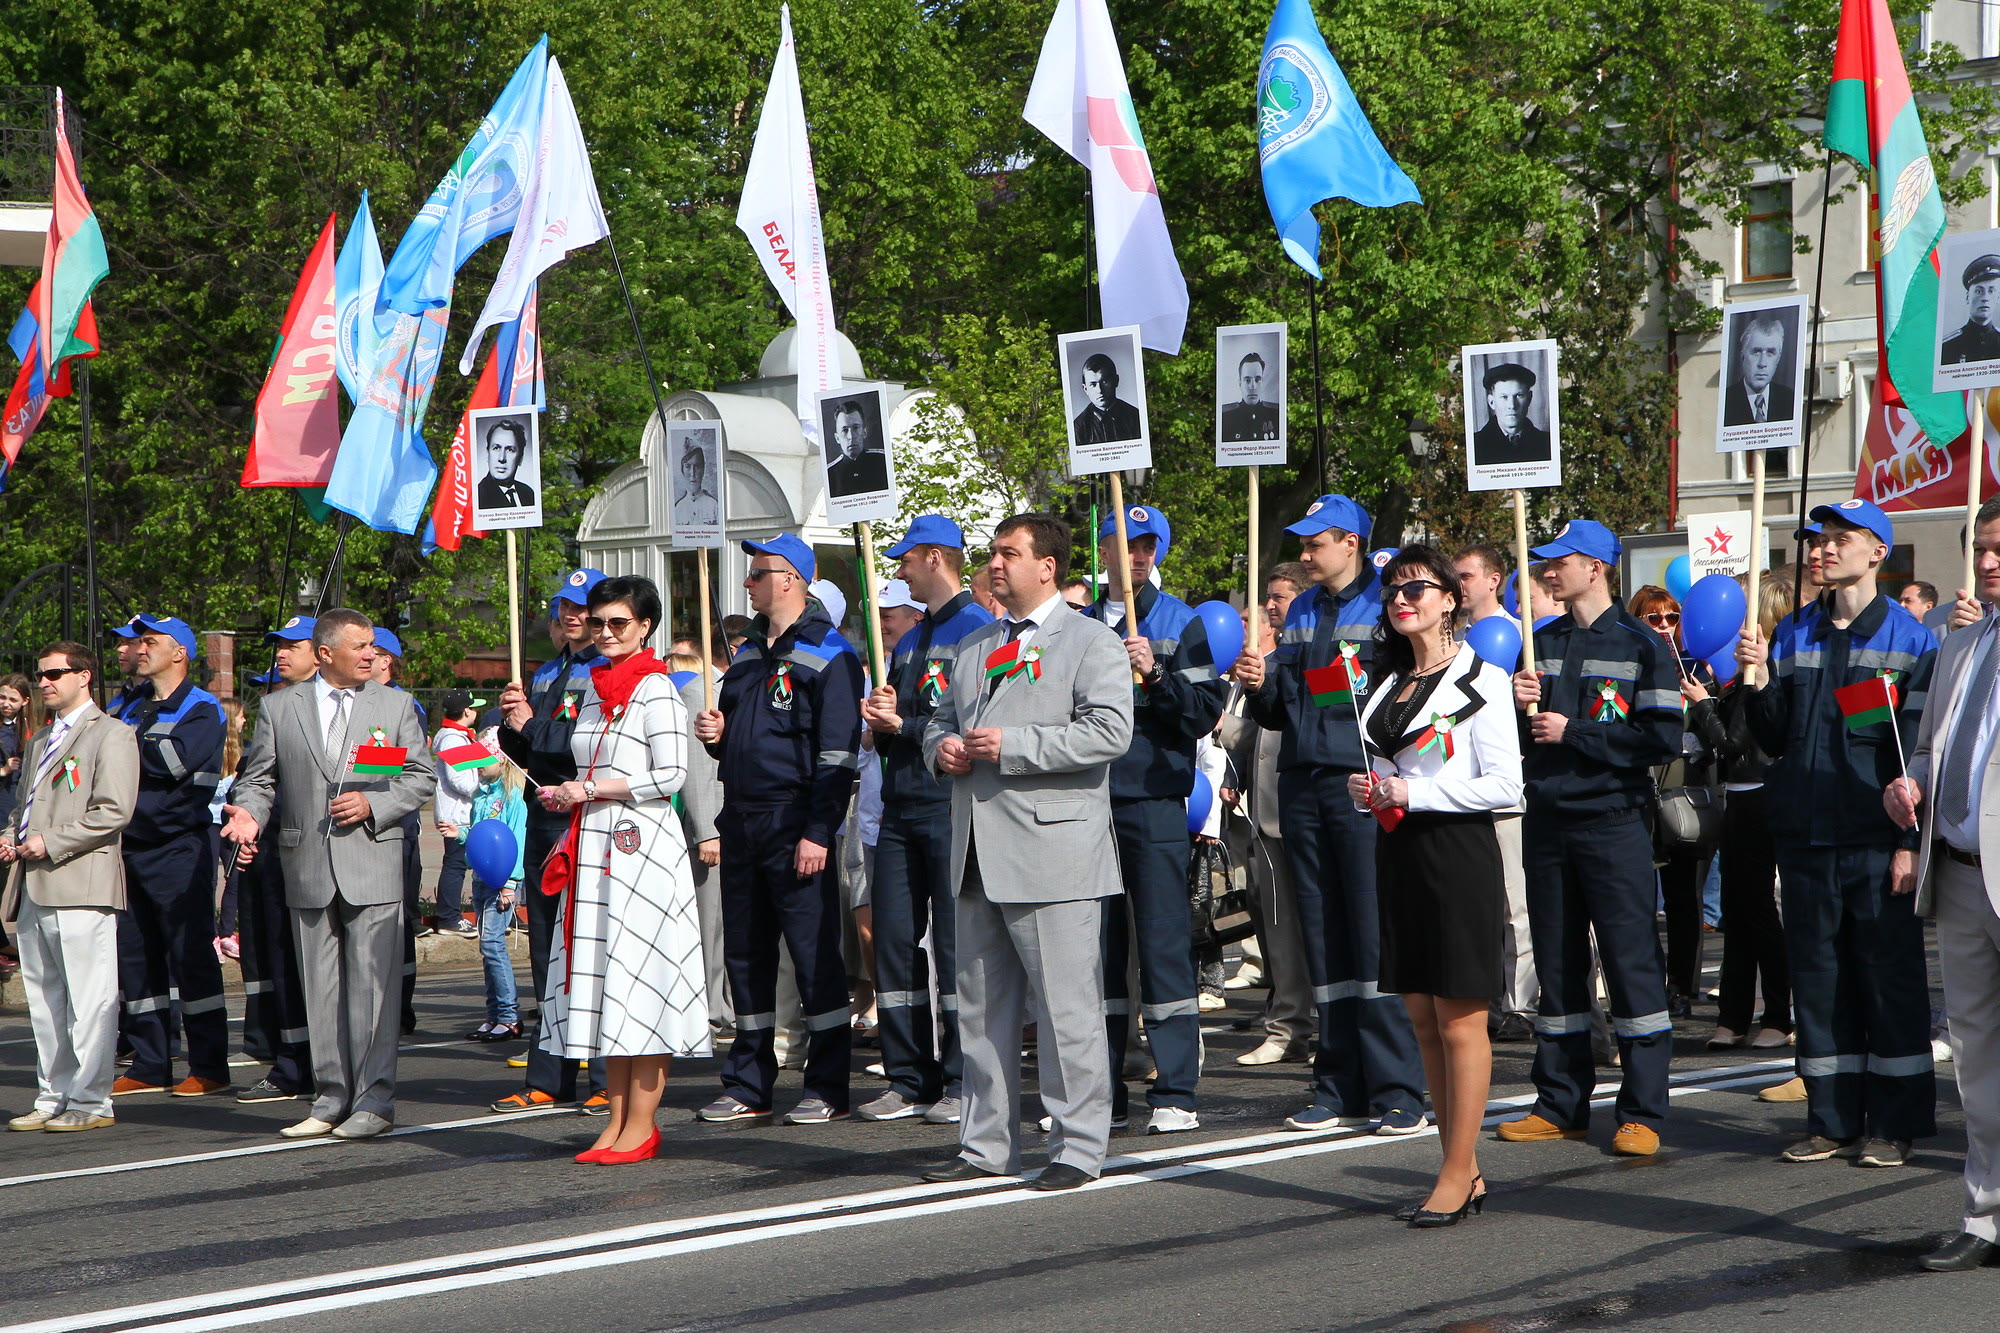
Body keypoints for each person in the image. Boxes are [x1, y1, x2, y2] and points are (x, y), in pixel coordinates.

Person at [918, 513, 1133, 1190]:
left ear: (1048, 566)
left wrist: (1014, 746)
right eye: (993, 553)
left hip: (1053, 849)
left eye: (1009, 553)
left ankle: (1076, 1145)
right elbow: (939, 720)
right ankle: (986, 1143)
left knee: (1065, 1009)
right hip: (978, 847)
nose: (995, 563)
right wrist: (939, 748)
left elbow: (1109, 732)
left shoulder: (1090, 640)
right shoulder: (976, 644)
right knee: (981, 1011)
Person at [1738, 498, 1938, 1168]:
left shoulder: (1913, 640)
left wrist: (1911, 843)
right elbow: (1771, 736)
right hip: (1805, 837)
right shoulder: (1795, 632)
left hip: (1878, 840)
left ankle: (1896, 1120)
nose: (1823, 549)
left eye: (1839, 539)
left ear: (1877, 552)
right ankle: (1831, 1117)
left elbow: (1917, 752)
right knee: (1818, 981)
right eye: (1818, 540)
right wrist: (1758, 678)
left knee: (1887, 980)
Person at [1234, 495, 1428, 1134]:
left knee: (1373, 933)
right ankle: (1335, 1082)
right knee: (1321, 935)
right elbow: (1283, 708)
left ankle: (1398, 1086)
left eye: (1315, 542)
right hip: (1303, 783)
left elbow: (1398, 691)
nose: (1305, 553)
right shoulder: (1304, 609)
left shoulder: (1389, 603)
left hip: (1362, 785)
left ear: (1350, 542)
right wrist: (1262, 683)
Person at [1350, 546, 1522, 1226]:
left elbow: (1507, 785)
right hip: (1399, 853)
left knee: (1459, 1020)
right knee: (1421, 1016)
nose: (1402, 599)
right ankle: (1462, 1165)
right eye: (1392, 589)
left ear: (1450, 597)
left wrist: (1414, 790)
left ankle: (1456, 1169)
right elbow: (1390, 763)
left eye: (1416, 586)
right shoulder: (1388, 681)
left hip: (1457, 854)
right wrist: (1369, 790)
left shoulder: (1485, 678)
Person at [1497, 519, 1680, 1157]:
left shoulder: (1642, 644)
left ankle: (1643, 1111)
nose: (1547, 571)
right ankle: (1560, 1103)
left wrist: (1573, 731)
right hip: (1547, 820)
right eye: (1545, 561)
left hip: (1613, 822)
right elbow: (1520, 743)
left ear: (1596, 567)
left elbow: (1661, 739)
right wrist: (1515, 708)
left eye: (1559, 561)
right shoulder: (1536, 643)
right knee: (1558, 968)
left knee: (1631, 966)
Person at [221, 608, 436, 1140]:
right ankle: (330, 1096)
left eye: (373, 647)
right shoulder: (278, 707)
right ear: (325, 654)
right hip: (308, 864)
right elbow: (260, 778)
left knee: (373, 990)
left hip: (372, 860)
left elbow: (419, 775)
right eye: (360, 646)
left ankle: (374, 1100)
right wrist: (248, 811)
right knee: (321, 991)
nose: (371, 655)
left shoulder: (395, 704)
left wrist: (375, 802)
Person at [536, 575, 711, 1164]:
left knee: (643, 980)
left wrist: (588, 788)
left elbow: (670, 775)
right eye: (598, 621)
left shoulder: (658, 688)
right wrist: (566, 793)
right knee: (605, 981)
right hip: (592, 844)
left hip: (643, 848)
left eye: (618, 623)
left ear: (644, 628)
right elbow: (580, 757)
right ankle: (613, 1121)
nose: (605, 632)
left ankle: (643, 1122)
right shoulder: (591, 685)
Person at [692, 534, 863, 1124]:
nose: (747, 583)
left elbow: (838, 755)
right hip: (741, 819)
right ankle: (747, 1081)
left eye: (758, 573)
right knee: (747, 955)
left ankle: (827, 1086)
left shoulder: (830, 653)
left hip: (796, 823)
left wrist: (819, 831)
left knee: (815, 958)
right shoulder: (746, 656)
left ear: (790, 578)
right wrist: (717, 737)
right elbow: (740, 738)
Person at [1083, 505, 1228, 1132]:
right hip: (1088, 802)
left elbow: (1200, 714)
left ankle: (1175, 1092)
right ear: (1104, 548)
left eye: (1148, 546)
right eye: (1125, 542)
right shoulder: (1078, 624)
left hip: (1154, 799)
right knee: (1096, 951)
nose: (1137, 555)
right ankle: (1102, 1091)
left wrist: (1157, 672)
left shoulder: (1180, 622)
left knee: (1164, 944)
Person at [1888, 496, 2000, 1269]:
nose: (1988, 562)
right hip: (1959, 875)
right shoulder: (1958, 646)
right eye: (1980, 548)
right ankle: (1985, 1214)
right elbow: (1929, 749)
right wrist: (1909, 785)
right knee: (1977, 1058)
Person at [857, 515, 995, 1124]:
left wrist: (901, 727)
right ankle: (908, 1076)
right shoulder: (910, 640)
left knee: (955, 943)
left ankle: (963, 1077)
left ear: (935, 557)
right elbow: (898, 733)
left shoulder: (980, 631)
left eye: (906, 559)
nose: (899, 569)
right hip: (899, 807)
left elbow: (967, 728)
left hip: (949, 807)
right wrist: (881, 723)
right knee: (892, 943)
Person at [2, 642, 139, 1133]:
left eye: (55, 673)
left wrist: (49, 841)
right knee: (45, 999)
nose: (44, 683)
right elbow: (26, 807)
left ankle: (91, 1098)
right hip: (35, 882)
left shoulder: (113, 734)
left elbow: (114, 811)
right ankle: (52, 1094)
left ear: (84, 676)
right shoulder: (40, 740)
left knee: (91, 998)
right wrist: (10, 835)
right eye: (40, 675)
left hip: (82, 881)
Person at [492, 570, 611, 1116]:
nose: (572, 614)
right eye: (565, 604)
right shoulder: (545, 673)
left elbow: (585, 748)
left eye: (582, 606)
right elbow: (532, 757)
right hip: (544, 821)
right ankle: (551, 1073)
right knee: (545, 950)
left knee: (592, 946)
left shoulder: (608, 673)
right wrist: (511, 725)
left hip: (587, 818)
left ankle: (609, 1075)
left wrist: (532, 727)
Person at [110, 614, 231, 1100]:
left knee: (190, 956)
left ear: (179, 651)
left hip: (179, 845)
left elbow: (173, 762)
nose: (139, 648)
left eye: (150, 641)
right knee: (136, 960)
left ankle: (209, 1065)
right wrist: (138, 742)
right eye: (137, 640)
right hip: (127, 845)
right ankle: (150, 1061)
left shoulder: (202, 706)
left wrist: (127, 744)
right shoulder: (129, 702)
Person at [1219, 564, 1314, 1066]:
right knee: (1277, 927)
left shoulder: (1301, 660)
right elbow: (1253, 740)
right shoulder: (1259, 665)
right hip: (1264, 813)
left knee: (1317, 927)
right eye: (1270, 598)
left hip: (1307, 809)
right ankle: (1287, 1026)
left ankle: (1327, 1028)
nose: (1272, 607)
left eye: (1280, 598)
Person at [1692, 572, 1791, 1052]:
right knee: (1736, 910)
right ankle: (1732, 1015)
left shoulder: (1765, 678)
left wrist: (1704, 706)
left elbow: (1735, 741)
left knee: (1757, 911)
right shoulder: (1738, 679)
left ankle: (1777, 1012)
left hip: (1762, 797)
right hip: (1737, 798)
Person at [232, 617, 318, 1106]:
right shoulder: (274, 707)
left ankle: (321, 1064)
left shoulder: (359, 706)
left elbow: (378, 777)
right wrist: (249, 821)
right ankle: (287, 1060)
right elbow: (257, 776)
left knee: (310, 965)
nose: (281, 654)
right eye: (277, 646)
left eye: (292, 645)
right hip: (271, 853)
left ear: (321, 652)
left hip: (322, 853)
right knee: (272, 962)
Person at [1454, 543, 1536, 1040]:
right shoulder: (1453, 639)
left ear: (1495, 580)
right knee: (1474, 905)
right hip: (1460, 788)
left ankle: (1523, 1003)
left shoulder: (1523, 636)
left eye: (1466, 575)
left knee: (1513, 905)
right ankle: (1482, 999)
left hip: (1504, 788)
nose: (1459, 585)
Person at [1628, 585, 1715, 1015]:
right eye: (1654, 619)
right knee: (1640, 901)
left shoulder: (1699, 669)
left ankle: (1683, 988)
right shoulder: (1630, 665)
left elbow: (1719, 732)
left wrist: (1700, 710)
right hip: (1641, 797)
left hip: (1685, 795)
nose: (1665, 626)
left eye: (1673, 617)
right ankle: (1648, 986)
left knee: (1685, 900)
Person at [462, 733, 525, 1043]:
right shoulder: (480, 795)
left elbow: (516, 840)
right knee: (486, 949)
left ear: (499, 758)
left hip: (503, 883)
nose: (476, 765)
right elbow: (479, 836)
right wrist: (460, 833)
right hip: (481, 878)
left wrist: (511, 883)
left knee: (492, 944)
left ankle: (509, 1016)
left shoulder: (513, 797)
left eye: (482, 759)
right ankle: (493, 1015)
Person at [431, 690, 482, 940]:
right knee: (455, 864)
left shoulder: (460, 736)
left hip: (460, 812)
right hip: (456, 814)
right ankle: (449, 917)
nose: (477, 711)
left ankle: (452, 915)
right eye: (474, 707)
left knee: (460, 863)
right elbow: (460, 780)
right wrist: (485, 784)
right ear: (466, 712)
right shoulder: (452, 738)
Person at [1722, 311, 1796, 426]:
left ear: (1778, 358)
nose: (1762, 363)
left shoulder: (1789, 399)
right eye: (1756, 352)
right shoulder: (1726, 401)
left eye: (1770, 353)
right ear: (1743, 356)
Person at [1470, 363, 1551, 465]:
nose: (1512, 405)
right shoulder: (1474, 445)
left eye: (1519, 395)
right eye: (1504, 397)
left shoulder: (1547, 443)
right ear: (1492, 402)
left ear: (1529, 399)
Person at [1071, 352, 1143, 444]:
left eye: (1105, 381)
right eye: (1093, 384)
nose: (1099, 390)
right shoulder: (1078, 427)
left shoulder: (1136, 417)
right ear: (1085, 389)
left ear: (1116, 381)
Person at [1942, 254, 2000, 365]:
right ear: (1968, 297)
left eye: (1991, 291)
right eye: (1979, 291)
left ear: (1998, 298)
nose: (1985, 298)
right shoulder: (1947, 346)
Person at [825, 401, 890, 498]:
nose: (851, 436)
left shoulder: (884, 462)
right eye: (845, 430)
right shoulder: (830, 474)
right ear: (837, 438)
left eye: (856, 428)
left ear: (864, 432)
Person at [477, 417, 536, 509]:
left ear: (521, 457)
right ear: (487, 453)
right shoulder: (478, 496)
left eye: (510, 450)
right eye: (496, 448)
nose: (502, 458)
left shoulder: (528, 493)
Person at [1220, 352, 1280, 442]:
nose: (1253, 387)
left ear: (1262, 382)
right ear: (1240, 384)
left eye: (1257, 380)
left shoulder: (1276, 414)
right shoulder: (1225, 417)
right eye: (1247, 380)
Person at [0, 672, 31, 831]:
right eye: (2, 697)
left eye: (13, 700)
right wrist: (3, 770)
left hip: (19, 796)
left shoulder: (29, 727)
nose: (6, 704)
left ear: (25, 701)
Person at [674, 434, 720, 527]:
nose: (692, 473)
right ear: (682, 470)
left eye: (697, 466)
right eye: (687, 467)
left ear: (703, 470)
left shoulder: (714, 505)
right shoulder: (678, 508)